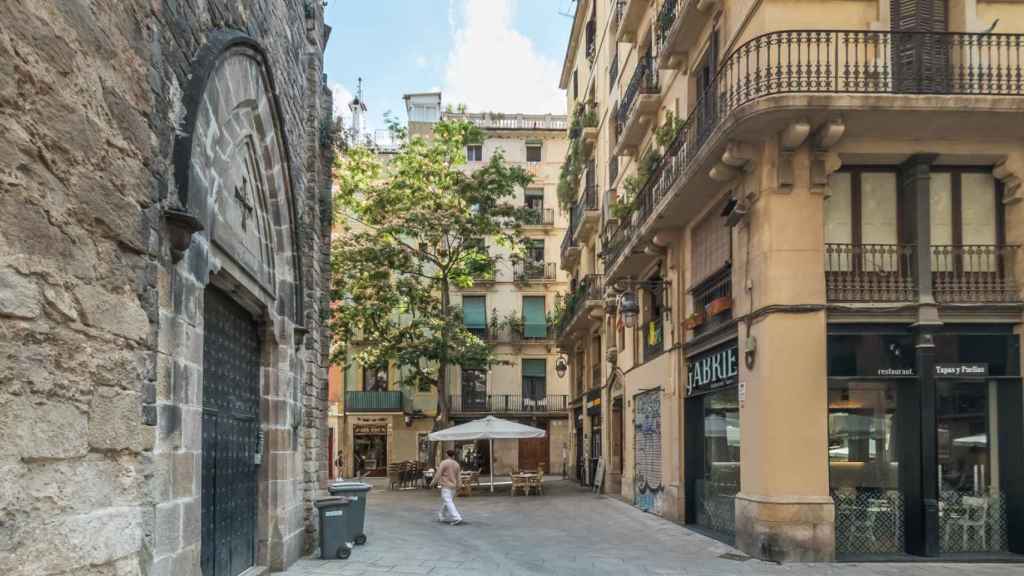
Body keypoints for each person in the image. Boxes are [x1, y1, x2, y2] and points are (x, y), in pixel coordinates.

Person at [431, 449, 463, 525]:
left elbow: (438, 474)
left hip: (446, 486)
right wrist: (459, 486)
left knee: (448, 501)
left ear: (447, 454)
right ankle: (441, 515)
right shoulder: (456, 464)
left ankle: (456, 517)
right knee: (447, 501)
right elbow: (458, 476)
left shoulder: (444, 463)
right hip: (454, 486)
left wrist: (432, 483)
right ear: (454, 455)